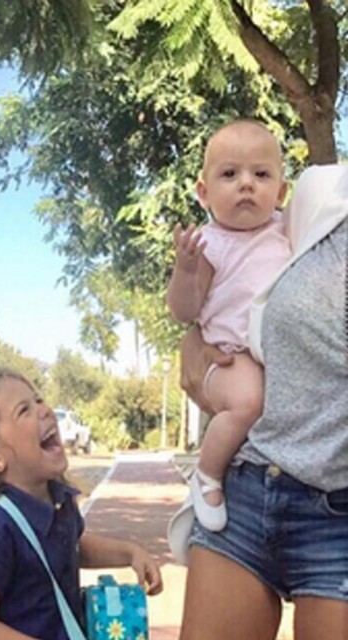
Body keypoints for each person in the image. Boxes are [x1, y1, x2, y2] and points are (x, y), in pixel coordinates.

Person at [169, 163, 348, 640]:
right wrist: (196, 338)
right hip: (247, 488)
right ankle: (207, 477)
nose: (247, 183)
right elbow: (244, 290)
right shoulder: (324, 191)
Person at [0, 368, 163, 640]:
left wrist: (130, 553)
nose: (45, 410)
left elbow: (73, 547)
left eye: (38, 400)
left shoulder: (59, 501)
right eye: (24, 410)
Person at [166, 120, 291, 531]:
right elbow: (185, 311)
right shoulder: (209, 244)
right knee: (248, 402)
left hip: (274, 353)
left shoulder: (286, 230)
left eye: (261, 174)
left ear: (281, 192)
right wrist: (185, 271)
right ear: (204, 193)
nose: (246, 184)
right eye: (230, 174)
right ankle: (207, 474)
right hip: (230, 356)